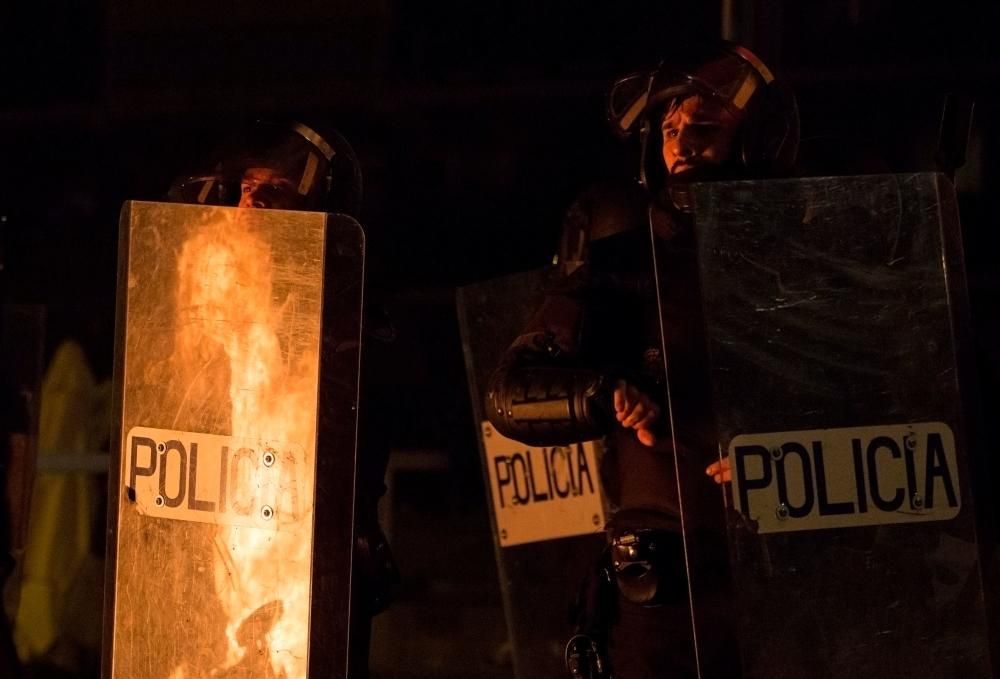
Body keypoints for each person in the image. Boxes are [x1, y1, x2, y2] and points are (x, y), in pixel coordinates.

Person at [486, 42, 799, 678]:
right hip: (667, 582)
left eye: (705, 126)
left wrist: (792, 452)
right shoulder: (622, 247)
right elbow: (511, 394)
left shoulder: (811, 245)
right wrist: (604, 394)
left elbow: (887, 385)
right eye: (670, 128)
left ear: (758, 141)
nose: (681, 143)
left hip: (798, 565)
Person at [169, 119, 398, 678]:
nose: (255, 202)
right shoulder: (209, 300)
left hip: (305, 549)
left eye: (276, 190)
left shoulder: (346, 305)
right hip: (213, 540)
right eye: (248, 187)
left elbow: (353, 431)